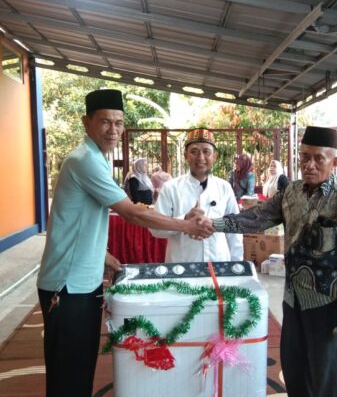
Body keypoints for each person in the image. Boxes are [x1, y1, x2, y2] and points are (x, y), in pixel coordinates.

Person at [36, 89, 213, 397]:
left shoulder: (97, 159)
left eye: (118, 122)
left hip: (83, 279)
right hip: (67, 286)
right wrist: (185, 226)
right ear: (86, 122)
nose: (113, 130)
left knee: (80, 367)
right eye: (105, 121)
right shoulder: (84, 160)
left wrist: (101, 254)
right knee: (69, 374)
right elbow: (132, 213)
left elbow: (77, 217)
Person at [204, 126, 337, 397]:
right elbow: (256, 218)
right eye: (304, 157)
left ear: (335, 162)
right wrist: (211, 224)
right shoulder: (291, 192)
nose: (309, 165)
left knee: (325, 378)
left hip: (327, 302)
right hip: (292, 299)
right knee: (295, 370)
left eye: (318, 158)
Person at [151, 128, 243, 262]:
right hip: (181, 266)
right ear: (186, 156)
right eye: (194, 151)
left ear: (214, 156)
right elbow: (156, 229)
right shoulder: (171, 188)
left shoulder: (224, 188)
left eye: (206, 152)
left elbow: (234, 229)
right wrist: (184, 220)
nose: (200, 157)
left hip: (219, 263)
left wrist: (237, 265)